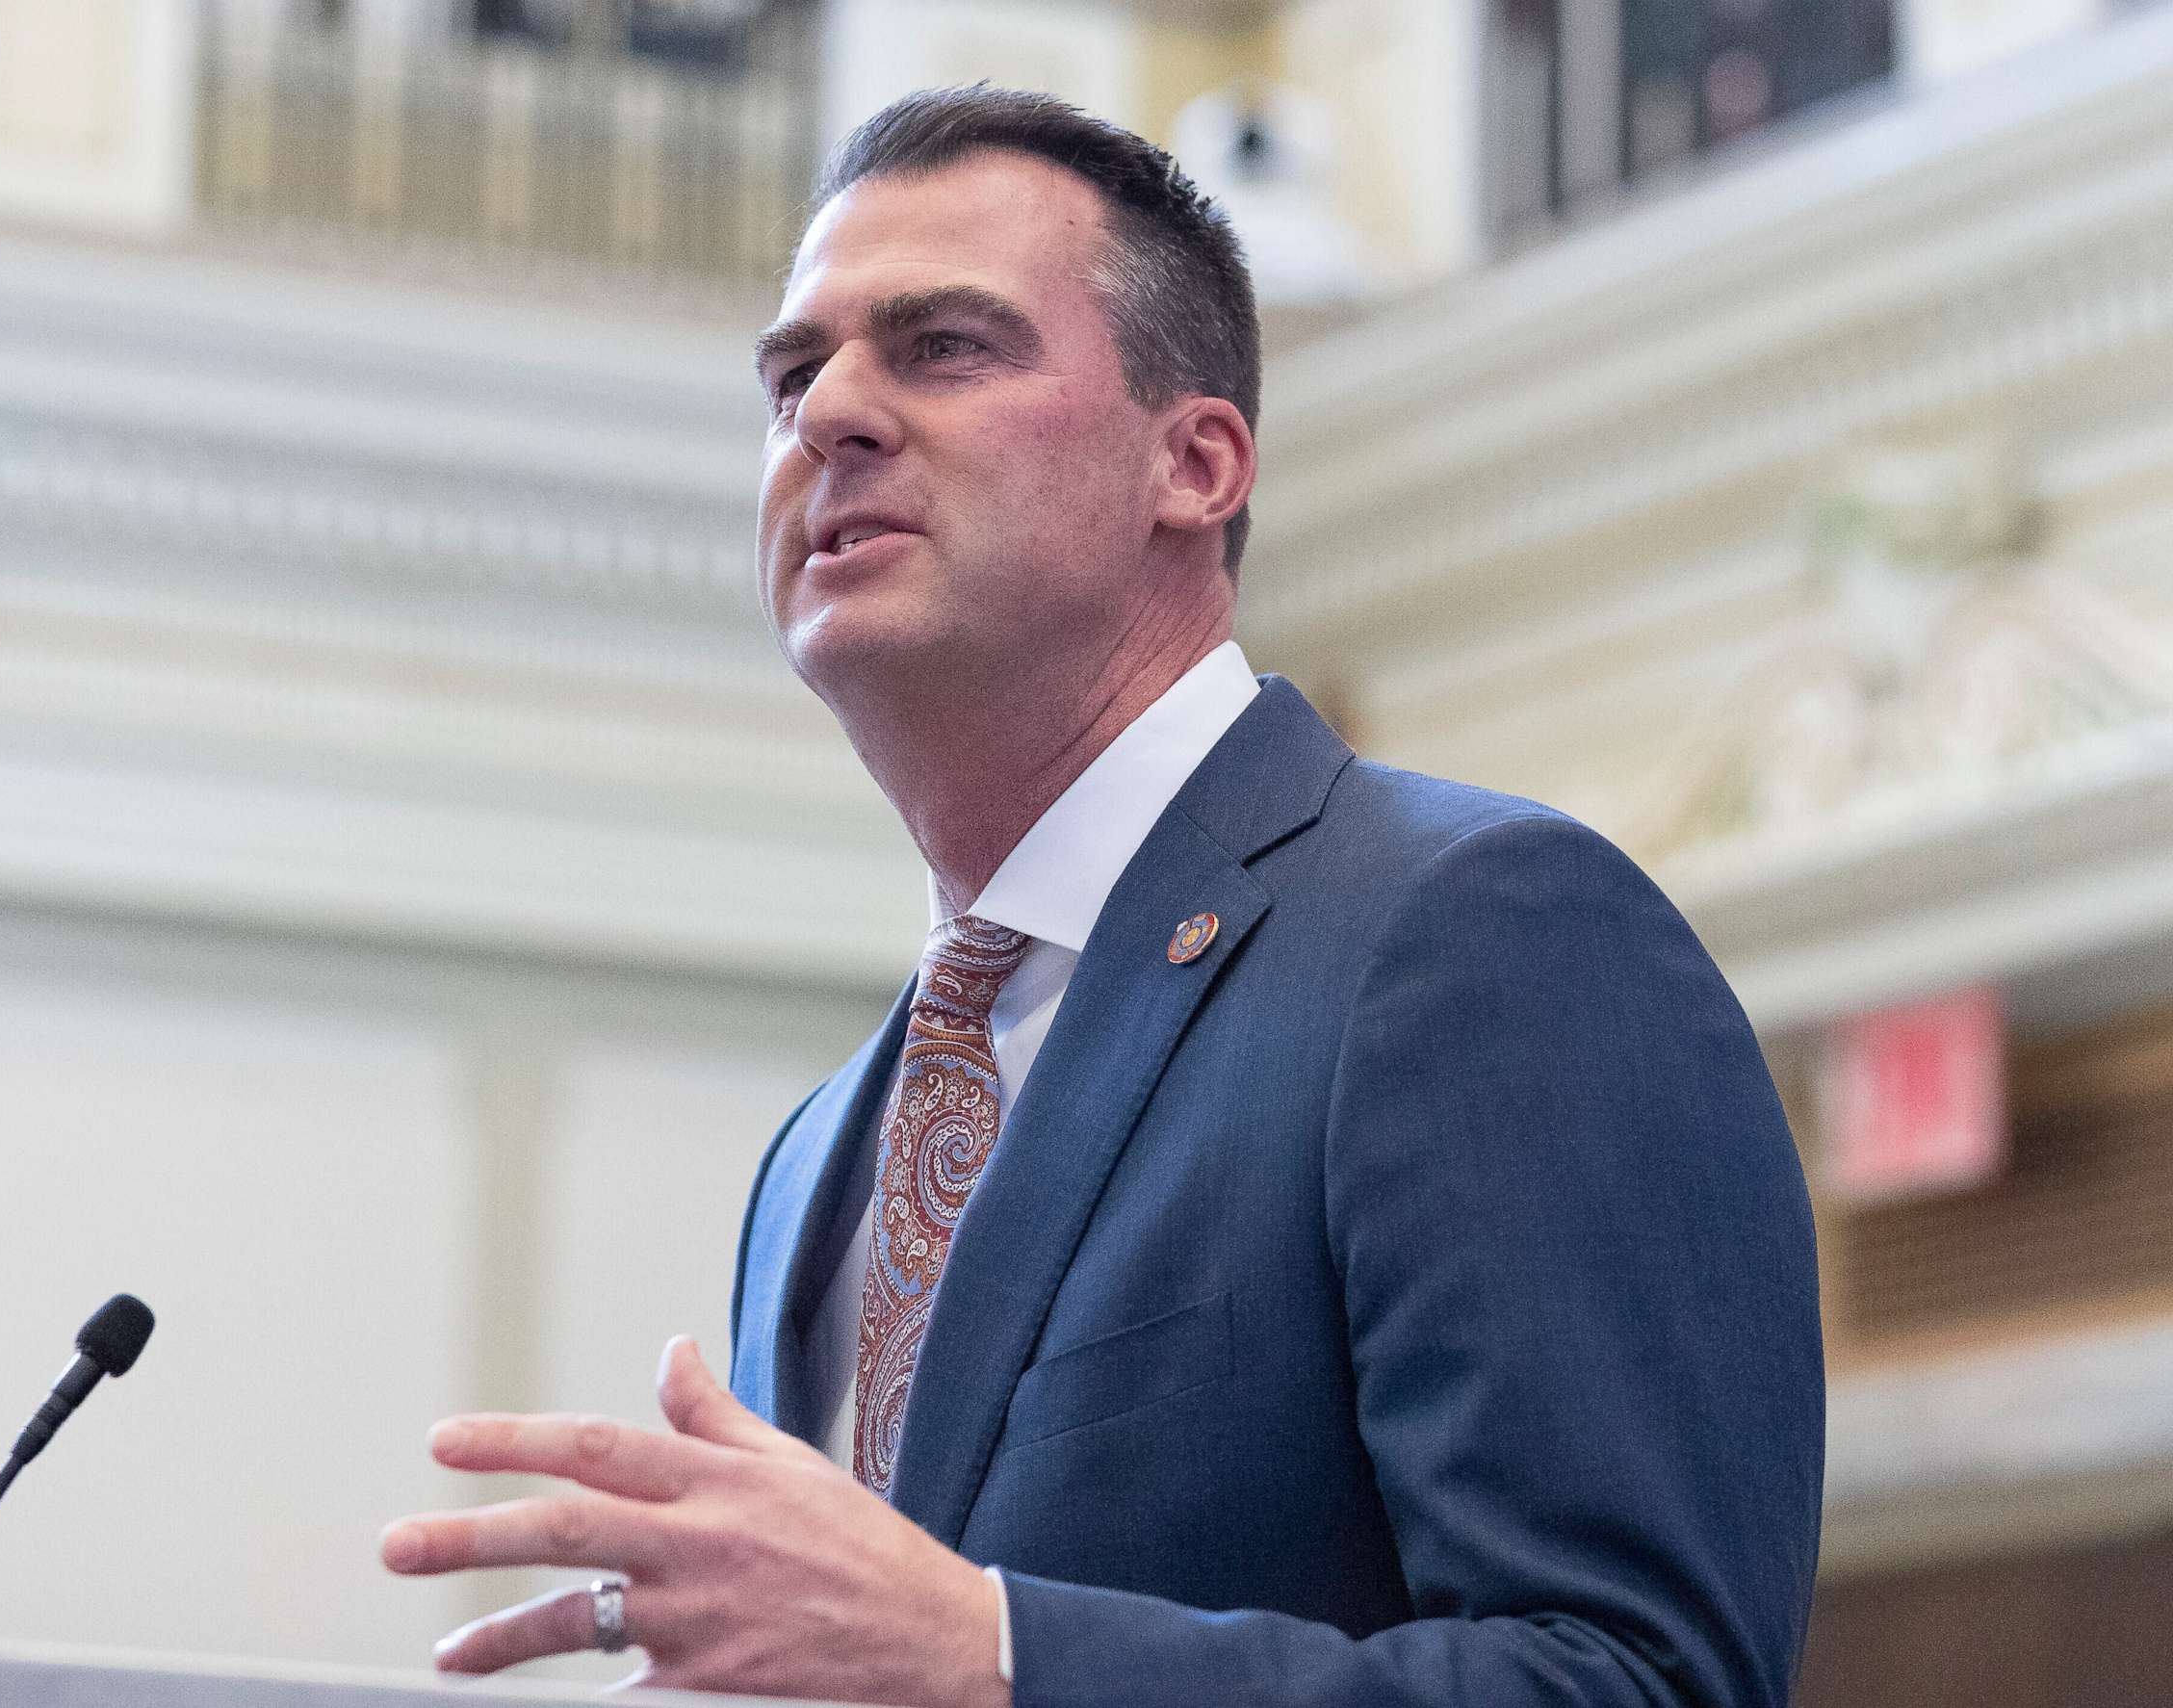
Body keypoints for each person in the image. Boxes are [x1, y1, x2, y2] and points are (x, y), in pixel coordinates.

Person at [379, 86, 1824, 1708]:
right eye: (793, 373)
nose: (828, 415)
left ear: (1194, 462)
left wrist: (995, 1651)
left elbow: (1642, 1682)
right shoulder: (817, 1153)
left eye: (943, 347)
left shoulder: (1475, 939)